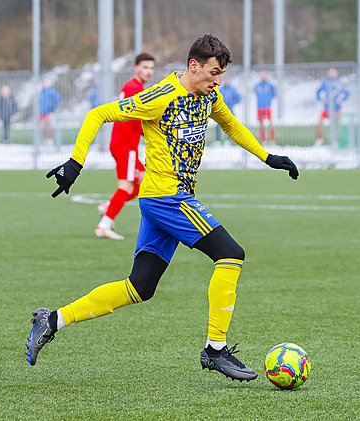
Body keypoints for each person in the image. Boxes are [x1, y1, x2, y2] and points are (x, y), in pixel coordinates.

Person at [27, 34, 299, 383]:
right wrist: (75, 162)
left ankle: (52, 319)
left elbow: (230, 125)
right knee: (231, 255)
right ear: (193, 65)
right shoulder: (161, 97)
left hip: (166, 200)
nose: (218, 81)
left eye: (222, 74)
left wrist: (269, 157)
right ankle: (215, 350)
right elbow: (99, 113)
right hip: (167, 198)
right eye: (213, 72)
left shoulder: (208, 96)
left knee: (140, 286)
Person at [95, 53, 155, 240]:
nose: (148, 71)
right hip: (125, 145)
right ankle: (104, 224)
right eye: (145, 67)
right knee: (129, 186)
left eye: (151, 68)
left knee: (140, 185)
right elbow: (140, 117)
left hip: (127, 145)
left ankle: (109, 207)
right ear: (135, 68)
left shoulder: (134, 87)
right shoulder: (134, 88)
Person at [315, 67, 349, 145]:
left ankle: (336, 141)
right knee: (319, 123)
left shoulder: (340, 83)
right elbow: (318, 92)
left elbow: (347, 93)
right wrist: (321, 99)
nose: (332, 74)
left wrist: (341, 99)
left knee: (338, 124)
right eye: (330, 72)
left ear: (336, 73)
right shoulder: (325, 82)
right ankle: (319, 140)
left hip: (337, 109)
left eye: (333, 72)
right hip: (327, 108)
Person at [216, 76, 241, 143]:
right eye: (225, 79)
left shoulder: (232, 89)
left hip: (230, 110)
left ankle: (229, 140)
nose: (226, 81)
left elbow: (238, 98)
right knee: (218, 125)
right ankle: (218, 140)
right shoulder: (221, 89)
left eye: (227, 79)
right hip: (221, 110)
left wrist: (232, 103)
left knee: (229, 125)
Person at [254, 70, 276, 144]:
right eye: (261, 75)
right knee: (261, 124)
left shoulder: (270, 85)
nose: (263, 76)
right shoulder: (257, 85)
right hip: (260, 107)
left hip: (267, 107)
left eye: (264, 75)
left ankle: (272, 140)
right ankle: (263, 140)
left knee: (270, 123)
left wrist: (268, 101)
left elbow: (274, 94)